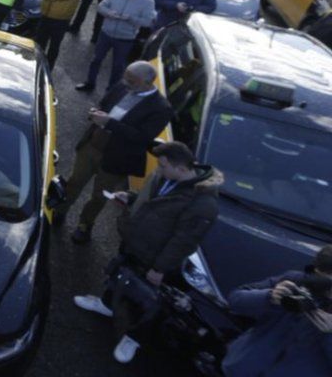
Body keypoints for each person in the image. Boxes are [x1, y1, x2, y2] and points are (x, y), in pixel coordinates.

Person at [73, 141, 221, 364]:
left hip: (154, 258)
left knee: (146, 300)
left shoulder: (204, 203)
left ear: (181, 168)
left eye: (162, 166)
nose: (158, 170)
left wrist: (160, 268)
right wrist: (131, 197)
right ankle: (105, 304)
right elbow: (151, 200)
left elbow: (183, 241)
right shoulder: (168, 177)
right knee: (118, 276)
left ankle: (133, 338)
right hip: (135, 244)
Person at [63, 61, 172, 244]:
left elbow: (142, 138)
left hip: (116, 158)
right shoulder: (123, 85)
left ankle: (84, 225)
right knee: (74, 182)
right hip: (93, 145)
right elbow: (105, 103)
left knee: (99, 196)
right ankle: (59, 211)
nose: (125, 83)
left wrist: (109, 123)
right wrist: (96, 112)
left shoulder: (161, 108)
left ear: (147, 82)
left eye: (131, 81)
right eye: (125, 77)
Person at [221, 245, 332, 377]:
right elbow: (235, 300)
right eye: (321, 280)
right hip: (241, 369)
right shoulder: (296, 280)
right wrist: (269, 297)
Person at [79, 0, 156, 92]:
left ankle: (111, 90)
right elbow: (101, 7)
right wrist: (109, 13)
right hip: (106, 33)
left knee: (118, 66)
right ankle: (89, 83)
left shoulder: (147, 2)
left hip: (125, 38)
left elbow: (147, 22)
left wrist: (130, 18)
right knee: (96, 59)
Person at [35, 0, 86, 69]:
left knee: (54, 47)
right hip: (45, 15)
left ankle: (48, 70)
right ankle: (36, 66)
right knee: (38, 45)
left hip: (61, 20)